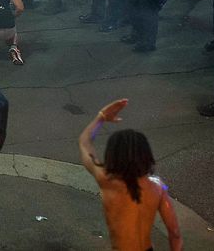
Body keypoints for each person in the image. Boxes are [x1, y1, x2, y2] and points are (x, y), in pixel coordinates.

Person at [78, 99, 183, 251]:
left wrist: (100, 117)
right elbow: (175, 233)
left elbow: (84, 142)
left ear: (112, 155)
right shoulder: (157, 187)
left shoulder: (106, 180)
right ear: (146, 155)